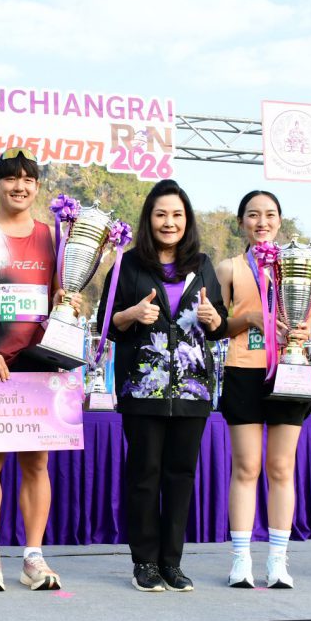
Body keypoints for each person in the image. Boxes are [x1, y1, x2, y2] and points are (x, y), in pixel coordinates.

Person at [0, 147, 78, 592]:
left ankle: (33, 557)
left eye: (28, 179)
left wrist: (69, 302)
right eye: (10, 179)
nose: (19, 186)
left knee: (36, 462)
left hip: (40, 364)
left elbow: (62, 294)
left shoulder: (55, 237)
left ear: (37, 187)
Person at [99, 179, 228, 592]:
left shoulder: (202, 263)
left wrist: (213, 319)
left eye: (176, 214)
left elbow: (219, 324)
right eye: (161, 214)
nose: (169, 222)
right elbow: (107, 324)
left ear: (186, 220)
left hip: (193, 390)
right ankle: (145, 562)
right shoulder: (128, 264)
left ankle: (172, 563)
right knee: (144, 475)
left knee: (180, 475)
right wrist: (132, 314)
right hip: (142, 388)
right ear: (148, 219)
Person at [215, 191, 311, 589]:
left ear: (280, 221)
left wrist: (303, 332)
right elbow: (216, 326)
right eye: (253, 215)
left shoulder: (303, 265)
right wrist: (250, 318)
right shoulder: (229, 268)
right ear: (241, 222)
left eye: (270, 214)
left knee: (282, 467)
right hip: (244, 371)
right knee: (246, 467)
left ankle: (277, 560)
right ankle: (241, 559)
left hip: (289, 372)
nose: (262, 222)